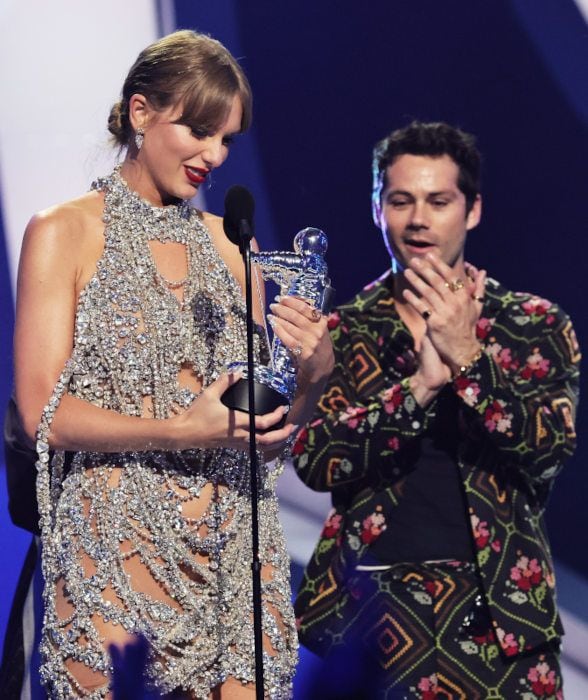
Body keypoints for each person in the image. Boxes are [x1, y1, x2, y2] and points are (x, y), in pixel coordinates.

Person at [12, 30, 334, 699]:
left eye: (227, 140)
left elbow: (257, 431)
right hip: (113, 546)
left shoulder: (233, 249)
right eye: (199, 130)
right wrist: (182, 430)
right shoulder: (63, 232)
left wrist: (311, 378)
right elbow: (44, 409)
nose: (213, 156)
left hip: (231, 550)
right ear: (140, 113)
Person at [292, 121, 579, 698]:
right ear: (378, 210)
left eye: (438, 200)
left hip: (502, 617)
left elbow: (548, 452)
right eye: (401, 200)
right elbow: (316, 462)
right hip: (369, 615)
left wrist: (470, 358)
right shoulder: (342, 333)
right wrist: (418, 388)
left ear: (471, 211)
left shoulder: (534, 324)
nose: (419, 218)